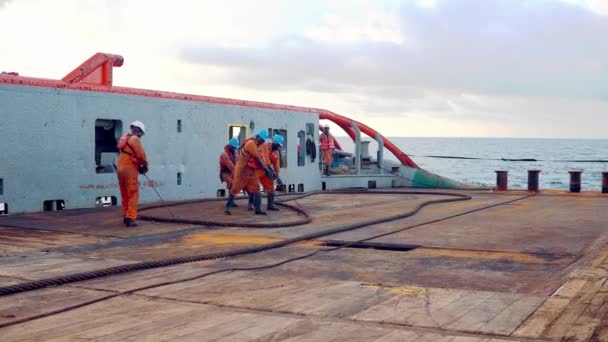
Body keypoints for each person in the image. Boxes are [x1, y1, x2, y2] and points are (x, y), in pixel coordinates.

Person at [224, 130, 273, 215]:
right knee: (235, 188)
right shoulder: (251, 144)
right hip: (242, 170)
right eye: (262, 140)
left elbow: (262, 158)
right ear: (258, 137)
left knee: (257, 189)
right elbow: (258, 160)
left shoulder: (258, 145)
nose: (263, 142)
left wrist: (268, 169)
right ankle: (227, 208)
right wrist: (266, 170)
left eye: (264, 140)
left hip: (251, 170)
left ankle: (258, 210)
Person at [116, 121, 148, 227]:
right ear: (139, 131)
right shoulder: (135, 139)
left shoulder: (126, 138)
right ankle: (131, 218)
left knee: (124, 193)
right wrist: (144, 166)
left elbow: (129, 154)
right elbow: (141, 155)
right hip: (129, 169)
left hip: (120, 167)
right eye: (141, 134)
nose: (141, 136)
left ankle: (126, 216)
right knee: (133, 193)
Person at [257, 134, 283, 211]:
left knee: (271, 187)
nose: (278, 147)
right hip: (258, 169)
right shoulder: (264, 146)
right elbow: (264, 159)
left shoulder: (276, 152)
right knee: (254, 186)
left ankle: (270, 205)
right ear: (273, 142)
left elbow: (276, 164)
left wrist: (277, 176)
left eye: (279, 146)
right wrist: (269, 169)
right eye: (277, 145)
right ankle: (251, 204)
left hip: (266, 171)